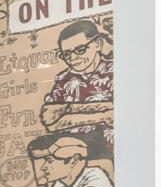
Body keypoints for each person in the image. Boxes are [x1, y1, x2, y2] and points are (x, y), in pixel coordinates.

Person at [39, 17, 114, 158]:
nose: (73, 58)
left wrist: (67, 110)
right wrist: (103, 116)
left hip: (113, 157)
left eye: (80, 50)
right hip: (71, 158)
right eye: (66, 54)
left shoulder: (114, 71)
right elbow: (51, 123)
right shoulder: (63, 80)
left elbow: (120, 113)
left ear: (98, 44)